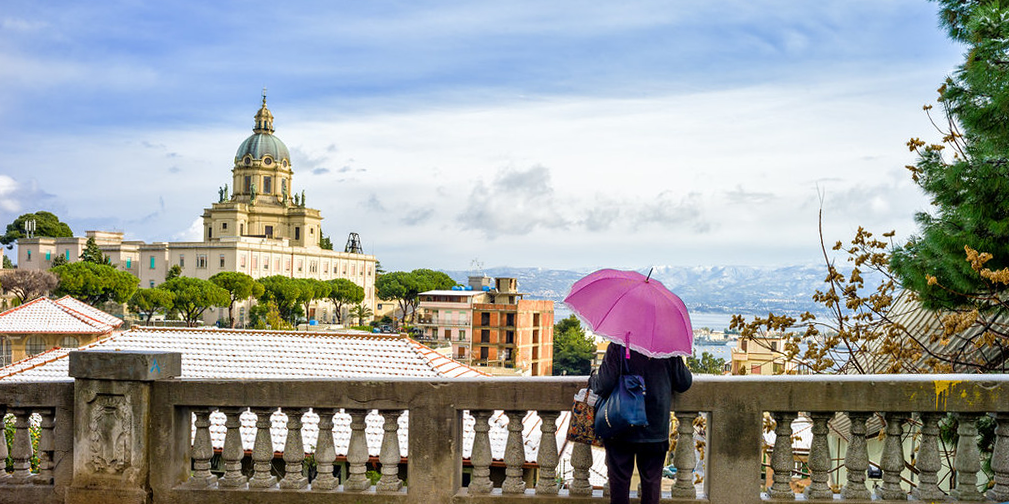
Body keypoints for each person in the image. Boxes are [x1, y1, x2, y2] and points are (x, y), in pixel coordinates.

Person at [589, 343, 692, 504]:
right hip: (655, 428)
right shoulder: (666, 347)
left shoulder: (619, 345)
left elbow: (603, 385)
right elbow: (684, 383)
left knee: (619, 487)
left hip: (621, 426)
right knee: (651, 488)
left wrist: (593, 378)